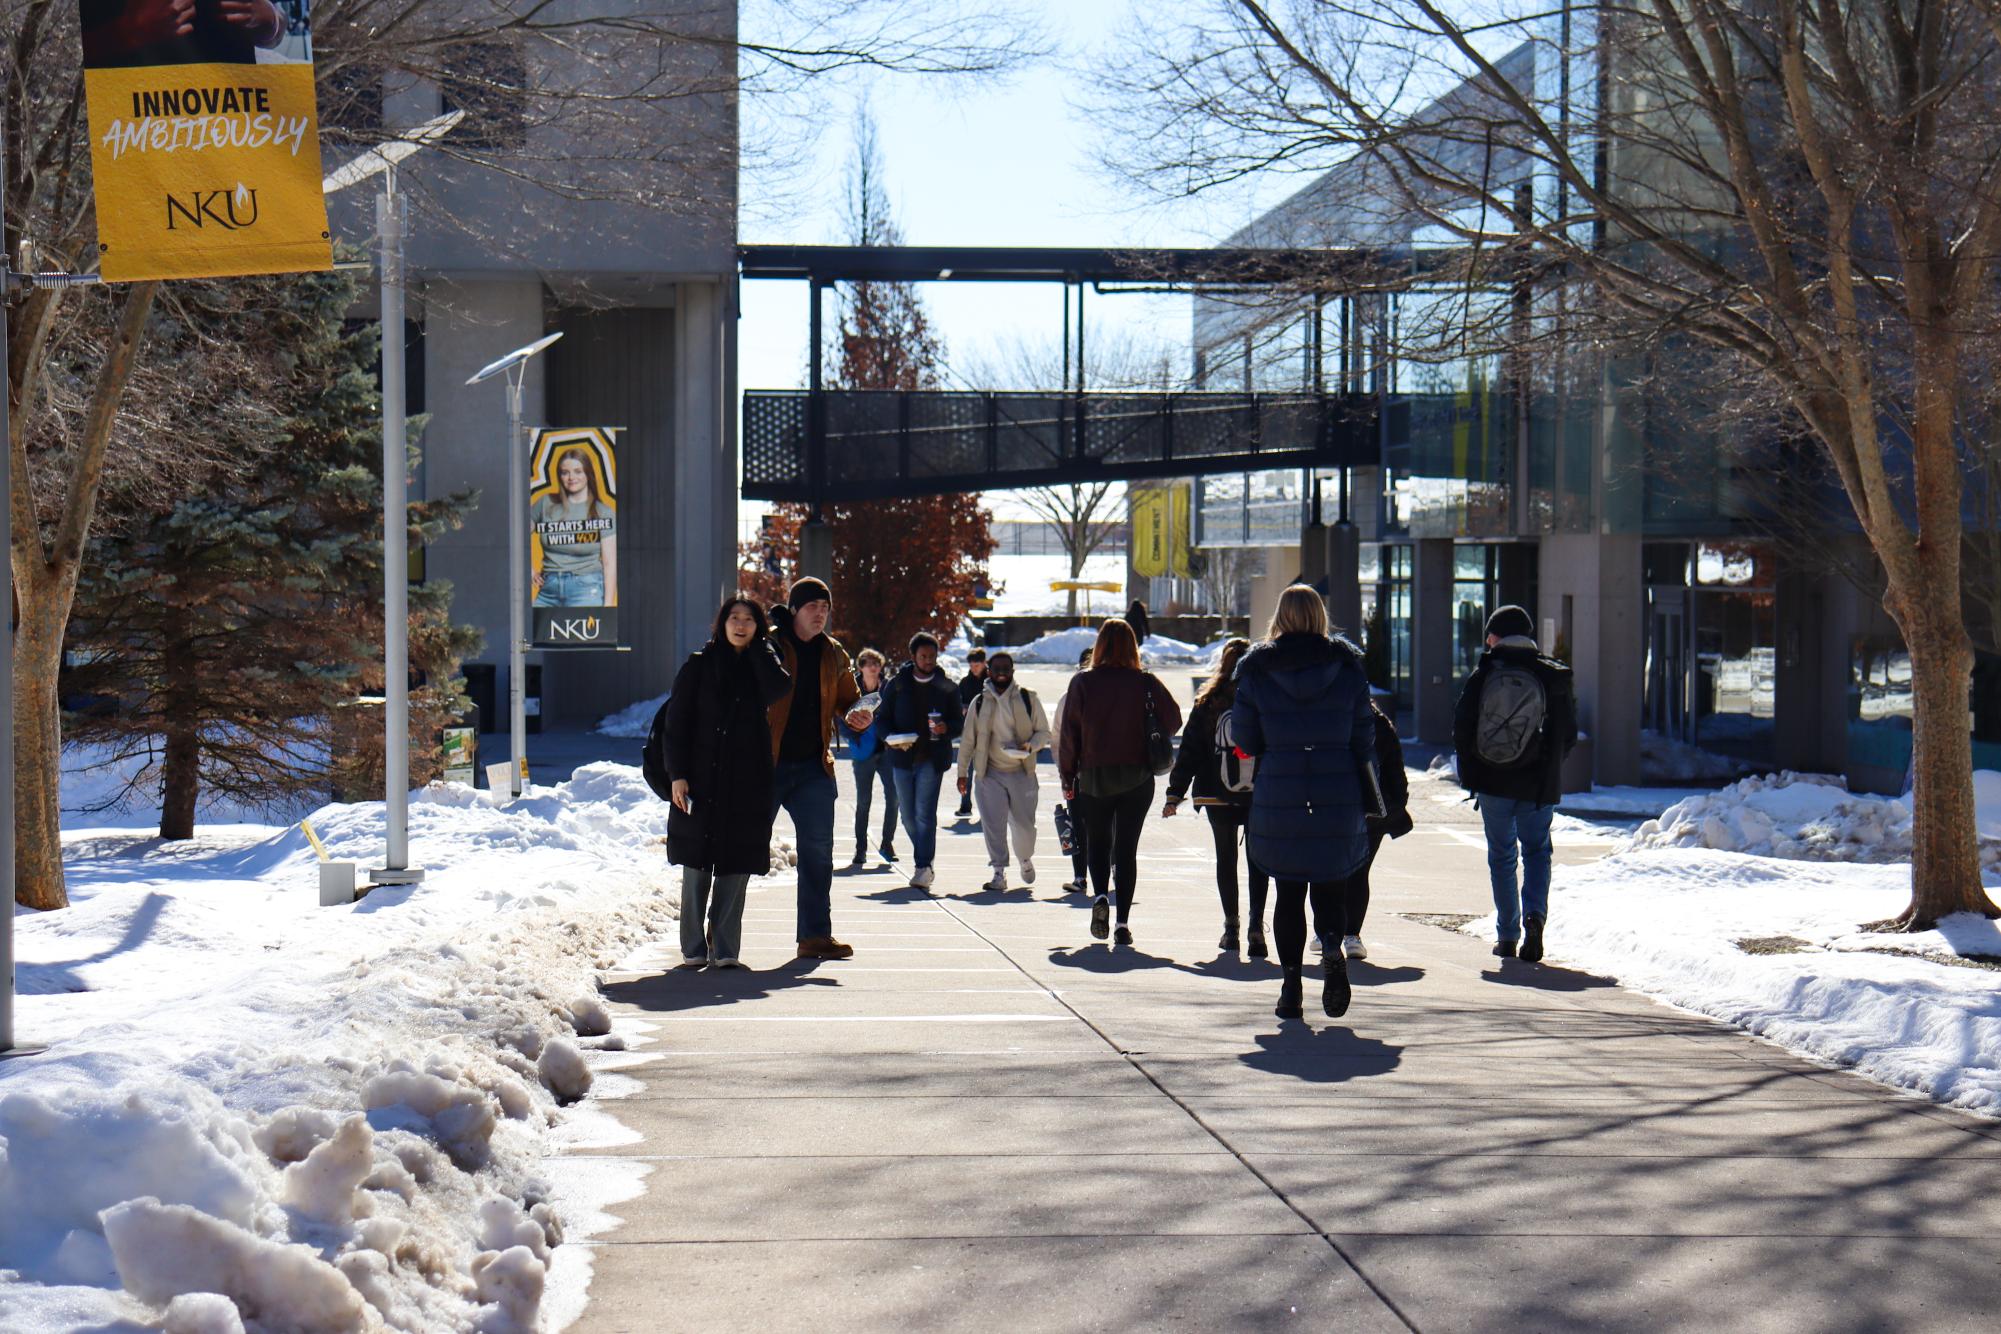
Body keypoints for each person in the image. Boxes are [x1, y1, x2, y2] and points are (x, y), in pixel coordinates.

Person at [1232, 585, 1376, 1020]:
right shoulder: (1347, 668)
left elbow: (1245, 737)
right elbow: (1364, 735)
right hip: (1337, 791)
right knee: (1332, 882)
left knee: (1287, 889)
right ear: (1320, 616)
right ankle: (1332, 942)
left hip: (1281, 791)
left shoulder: (1257, 670)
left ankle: (1291, 986)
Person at [662, 597, 791, 969]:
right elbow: (676, 723)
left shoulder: (762, 666)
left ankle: (726, 946)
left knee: (737, 863)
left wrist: (760, 652)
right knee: (696, 862)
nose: (740, 625)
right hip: (700, 778)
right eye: (734, 618)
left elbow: (778, 688)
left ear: (758, 627)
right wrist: (677, 775)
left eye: (749, 620)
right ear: (721, 623)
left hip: (746, 780)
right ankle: (692, 946)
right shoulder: (699, 665)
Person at [1453, 605, 1578, 964]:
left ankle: (1507, 935)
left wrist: (1474, 771)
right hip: (1538, 784)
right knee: (1537, 851)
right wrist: (1549, 765)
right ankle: (1534, 917)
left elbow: (1461, 727)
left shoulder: (1486, 672)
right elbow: (1567, 734)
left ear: (1497, 635)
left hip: (1493, 781)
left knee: (1502, 856)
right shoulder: (1552, 675)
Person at [1057, 618, 1183, 945]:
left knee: (1097, 842)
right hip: (1137, 776)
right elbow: (1174, 719)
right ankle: (1123, 922)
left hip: (1094, 775)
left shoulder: (1083, 683)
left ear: (1099, 646)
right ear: (1132, 646)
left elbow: (1069, 734)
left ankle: (1100, 896)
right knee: (1126, 849)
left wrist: (1068, 775)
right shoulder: (1144, 682)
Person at [768, 578, 869, 960]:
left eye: (825, 607)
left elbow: (849, 699)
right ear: (794, 610)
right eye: (812, 607)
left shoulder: (833, 653)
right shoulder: (770, 646)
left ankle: (814, 936)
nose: (820, 613)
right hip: (767, 764)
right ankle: (720, 936)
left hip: (814, 767)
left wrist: (856, 715)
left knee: (818, 853)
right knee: (742, 849)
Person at [1163, 638, 1270, 956]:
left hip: (1215, 794)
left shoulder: (1207, 701)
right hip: (1257, 794)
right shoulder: (1264, 700)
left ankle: (1231, 927)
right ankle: (1256, 928)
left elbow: (1190, 751)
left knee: (1226, 859)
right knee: (1258, 862)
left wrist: (1175, 793)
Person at [957, 652, 1051, 891]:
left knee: (1024, 826)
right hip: (989, 773)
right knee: (993, 825)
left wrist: (1030, 746)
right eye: (996, 668)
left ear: (1013, 671)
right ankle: (998, 872)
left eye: (1006, 668)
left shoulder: (1028, 699)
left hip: (1022, 771)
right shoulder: (980, 702)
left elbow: (1044, 732)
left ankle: (1025, 858)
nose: (1001, 672)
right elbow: (968, 740)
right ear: (989, 671)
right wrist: (962, 773)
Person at [878, 632, 964, 890]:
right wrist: (891, 738)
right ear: (913, 656)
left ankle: (923, 866)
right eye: (923, 656)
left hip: (932, 758)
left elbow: (959, 723)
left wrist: (945, 729)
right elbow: (882, 718)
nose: (928, 661)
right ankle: (924, 856)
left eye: (932, 656)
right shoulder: (897, 684)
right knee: (907, 815)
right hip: (902, 756)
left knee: (924, 814)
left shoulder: (947, 687)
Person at [1335, 699, 1415, 961]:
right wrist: (1395, 804)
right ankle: (1352, 935)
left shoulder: (1326, 716)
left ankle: (1328, 930)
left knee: (1330, 870)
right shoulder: (1377, 721)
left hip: (1333, 807)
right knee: (1360, 872)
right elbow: (1395, 770)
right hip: (1374, 808)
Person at [532, 448, 618, 609]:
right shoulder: (545, 503)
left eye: (578, 471)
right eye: (565, 472)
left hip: (586, 588)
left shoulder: (603, 512)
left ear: (588, 474)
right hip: (548, 589)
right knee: (537, 633)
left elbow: (609, 563)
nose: (571, 477)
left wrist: (607, 607)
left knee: (585, 635)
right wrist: (529, 571)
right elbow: (517, 536)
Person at [83, 0, 287, 68]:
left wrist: (271, 21)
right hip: (137, 121)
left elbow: (278, 25)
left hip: (234, 119)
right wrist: (125, 32)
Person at [843, 648, 900, 867]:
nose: (873, 667)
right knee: (863, 801)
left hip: (886, 750)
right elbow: (841, 717)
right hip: (863, 752)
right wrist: (853, 736)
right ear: (861, 667)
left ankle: (887, 843)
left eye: (876, 663)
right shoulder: (852, 688)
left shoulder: (888, 689)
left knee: (893, 798)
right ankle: (860, 849)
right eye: (868, 663)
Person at [1049, 645, 1095, 894]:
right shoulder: (1067, 699)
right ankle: (1080, 875)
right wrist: (1064, 770)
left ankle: (1112, 869)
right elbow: (1057, 738)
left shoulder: (1107, 697)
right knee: (1078, 825)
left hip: (1102, 772)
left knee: (1107, 824)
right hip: (1077, 774)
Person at [953, 649, 988, 817]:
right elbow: (958, 703)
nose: (974, 668)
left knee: (986, 773)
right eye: (972, 665)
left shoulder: (991, 681)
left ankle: (988, 806)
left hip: (989, 732)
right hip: (970, 731)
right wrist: (963, 708)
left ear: (984, 663)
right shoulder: (965, 683)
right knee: (966, 769)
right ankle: (965, 805)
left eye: (977, 665)